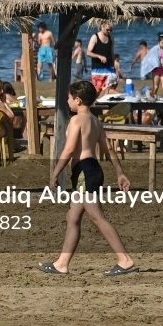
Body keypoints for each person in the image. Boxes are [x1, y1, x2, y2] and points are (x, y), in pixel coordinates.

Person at [39, 80, 136, 276]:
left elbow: (69, 150)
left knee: (97, 217)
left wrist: (56, 172)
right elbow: (108, 149)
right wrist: (119, 172)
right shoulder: (95, 121)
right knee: (72, 217)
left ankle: (125, 260)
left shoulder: (77, 120)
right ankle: (62, 263)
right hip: (92, 170)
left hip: (84, 172)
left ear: (78, 100)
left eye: (69, 98)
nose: (67, 101)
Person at [141, 32, 163, 98]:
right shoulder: (154, 50)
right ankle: (152, 98)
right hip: (156, 71)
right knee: (156, 87)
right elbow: (149, 58)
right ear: (159, 42)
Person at [86, 22, 116, 92]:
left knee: (110, 90)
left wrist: (114, 66)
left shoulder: (111, 37)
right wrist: (99, 56)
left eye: (111, 30)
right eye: (107, 30)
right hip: (98, 69)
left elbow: (112, 53)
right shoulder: (95, 37)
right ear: (102, 27)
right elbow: (88, 52)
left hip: (110, 68)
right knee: (98, 91)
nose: (109, 32)